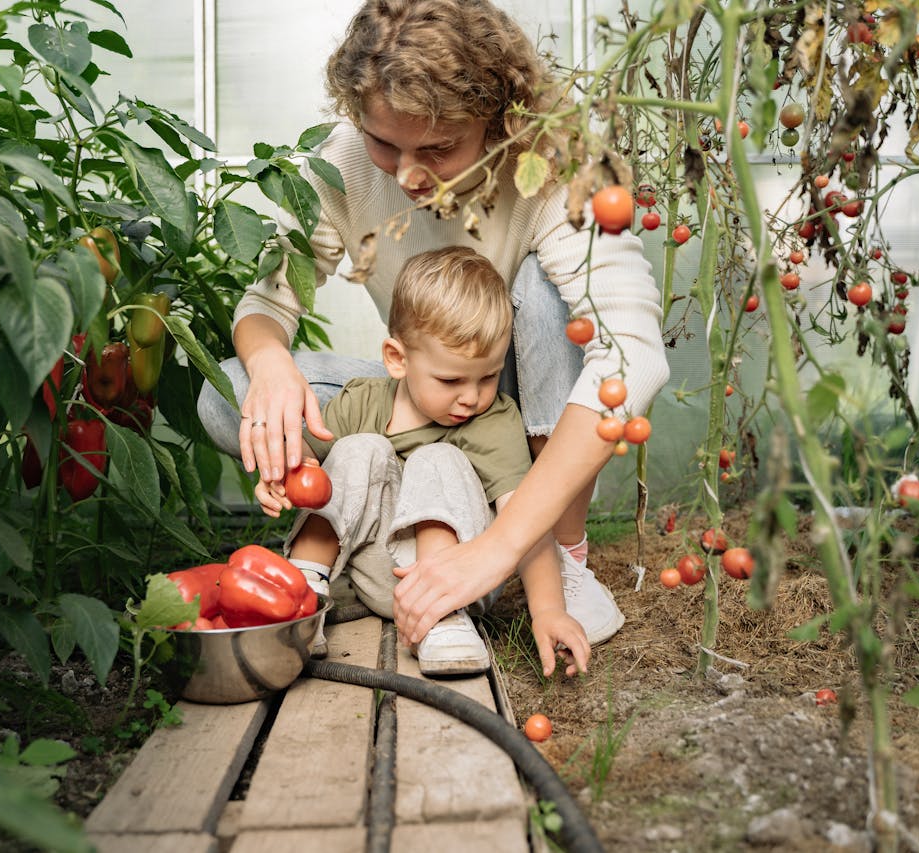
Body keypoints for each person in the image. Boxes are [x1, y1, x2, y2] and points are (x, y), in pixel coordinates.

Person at [198, 0, 669, 649]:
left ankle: (560, 551)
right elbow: (266, 304)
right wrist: (271, 362)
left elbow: (632, 355)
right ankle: (401, 511)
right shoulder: (342, 163)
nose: (408, 174)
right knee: (228, 395)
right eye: (383, 142)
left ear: (499, 119)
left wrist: (502, 548)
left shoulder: (555, 166)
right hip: (428, 387)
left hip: (505, 394)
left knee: (546, 293)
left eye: (440, 148)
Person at [255, 247, 590, 678]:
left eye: (488, 376)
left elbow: (527, 521)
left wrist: (548, 610)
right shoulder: (361, 400)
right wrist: (284, 473)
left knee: (438, 458)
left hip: (461, 579)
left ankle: (441, 619)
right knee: (359, 449)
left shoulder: (493, 421)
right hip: (366, 574)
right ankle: (303, 591)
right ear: (397, 359)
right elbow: (307, 467)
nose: (471, 396)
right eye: (451, 380)